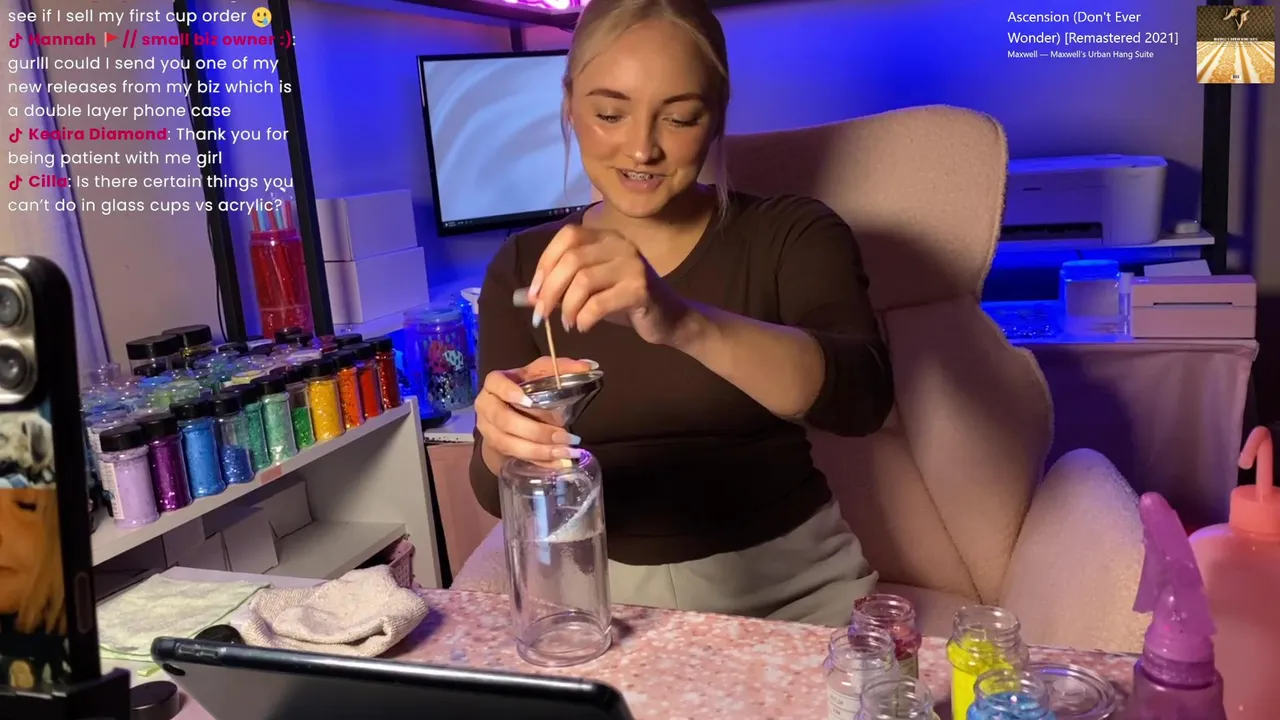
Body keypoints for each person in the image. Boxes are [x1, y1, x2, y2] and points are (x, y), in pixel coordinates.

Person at [469, 0, 894, 627]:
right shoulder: (523, 265)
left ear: (716, 116)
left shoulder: (791, 234)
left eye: (679, 118)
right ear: (569, 105)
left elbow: (862, 399)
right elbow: (493, 489)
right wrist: (504, 442)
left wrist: (680, 320)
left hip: (793, 589)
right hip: (596, 596)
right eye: (610, 113)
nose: (642, 148)